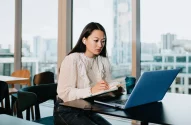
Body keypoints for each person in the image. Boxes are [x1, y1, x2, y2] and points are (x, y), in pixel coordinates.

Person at [54, 22, 112, 125]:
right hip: (66, 111)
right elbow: (65, 93)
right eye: (96, 40)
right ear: (84, 40)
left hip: (87, 110)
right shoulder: (72, 59)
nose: (100, 45)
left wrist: (112, 90)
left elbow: (102, 89)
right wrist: (91, 90)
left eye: (103, 41)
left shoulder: (103, 61)